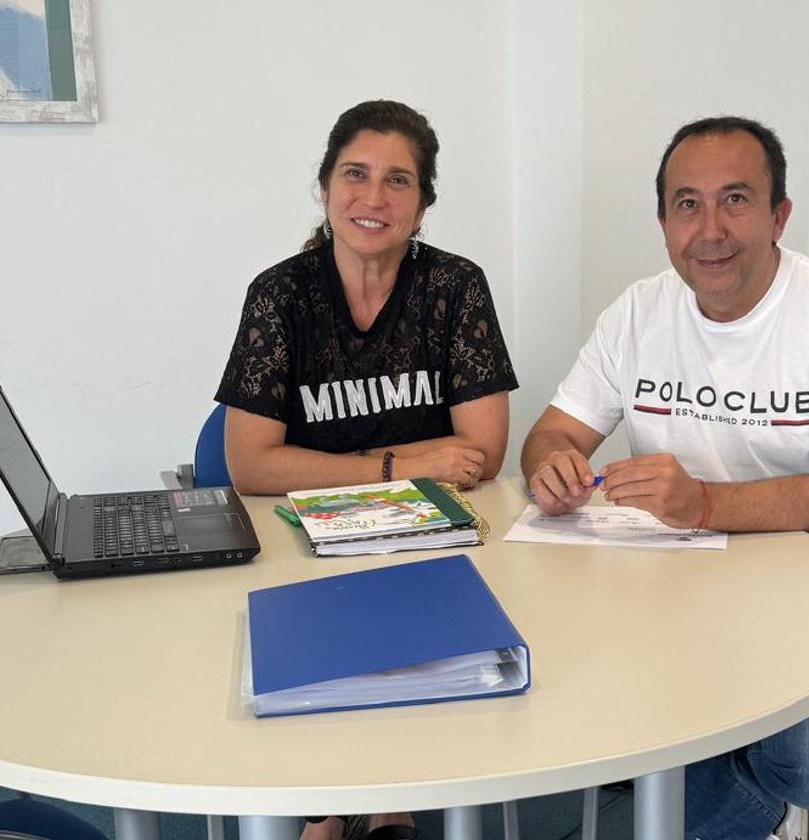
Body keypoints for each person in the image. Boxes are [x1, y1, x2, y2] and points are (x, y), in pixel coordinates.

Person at [520, 116, 809, 840]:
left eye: (735, 199)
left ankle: (698, 791)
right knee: (557, 694)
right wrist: (550, 463)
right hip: (679, 574)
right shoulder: (635, 313)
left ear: (778, 214)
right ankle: (712, 764)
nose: (710, 229)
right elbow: (552, 431)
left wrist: (702, 502)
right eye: (687, 204)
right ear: (664, 221)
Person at [215, 100, 519, 840]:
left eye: (398, 182)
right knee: (319, 624)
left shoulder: (456, 289)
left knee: (416, 628)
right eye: (356, 174)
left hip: (428, 545)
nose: (373, 198)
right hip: (299, 542)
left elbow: (481, 455)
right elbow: (250, 463)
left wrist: (333, 467)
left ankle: (385, 805)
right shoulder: (280, 295)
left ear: (422, 206)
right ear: (324, 187)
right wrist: (399, 462)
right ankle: (326, 811)